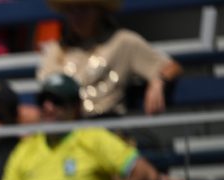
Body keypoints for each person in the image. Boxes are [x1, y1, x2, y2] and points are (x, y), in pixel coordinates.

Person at [0, 73, 160, 180]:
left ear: (75, 107)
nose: (48, 107)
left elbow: (144, 174)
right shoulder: (24, 150)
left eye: (57, 101)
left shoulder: (94, 137)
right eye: (42, 101)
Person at [37, 0, 182, 117]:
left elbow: (171, 66)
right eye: (70, 9)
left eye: (83, 8)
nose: (76, 16)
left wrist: (158, 81)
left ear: (99, 10)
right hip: (65, 130)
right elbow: (46, 95)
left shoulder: (122, 41)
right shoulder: (56, 49)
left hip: (105, 125)